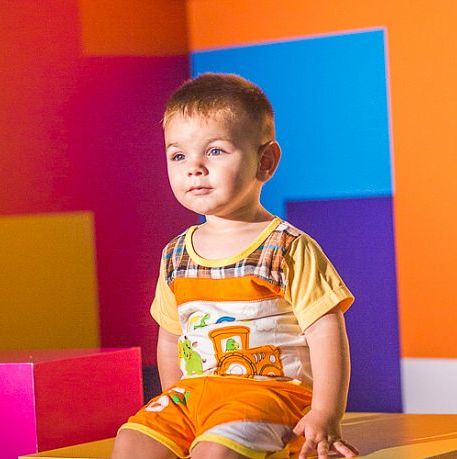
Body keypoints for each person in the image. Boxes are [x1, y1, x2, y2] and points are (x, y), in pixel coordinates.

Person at [110, 73, 359, 459]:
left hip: (270, 394)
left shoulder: (287, 248)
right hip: (194, 395)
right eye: (178, 156)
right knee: (130, 443)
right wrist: (176, 402)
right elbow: (171, 338)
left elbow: (326, 330)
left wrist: (325, 413)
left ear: (265, 162)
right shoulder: (175, 255)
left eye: (215, 151)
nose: (194, 167)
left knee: (216, 451)